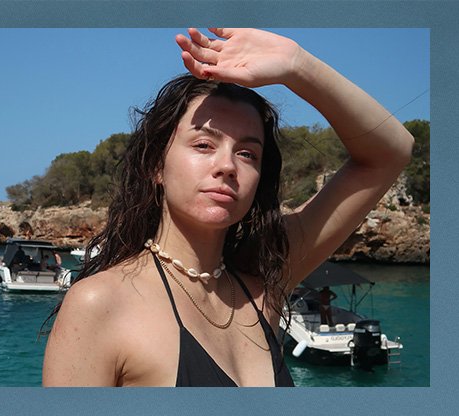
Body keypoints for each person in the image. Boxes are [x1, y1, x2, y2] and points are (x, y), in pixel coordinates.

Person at [42, 28, 413, 387]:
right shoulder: (100, 304)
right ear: (157, 165)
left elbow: (390, 151)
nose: (228, 166)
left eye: (248, 153)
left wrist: (296, 65)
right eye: (204, 145)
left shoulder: (265, 279)